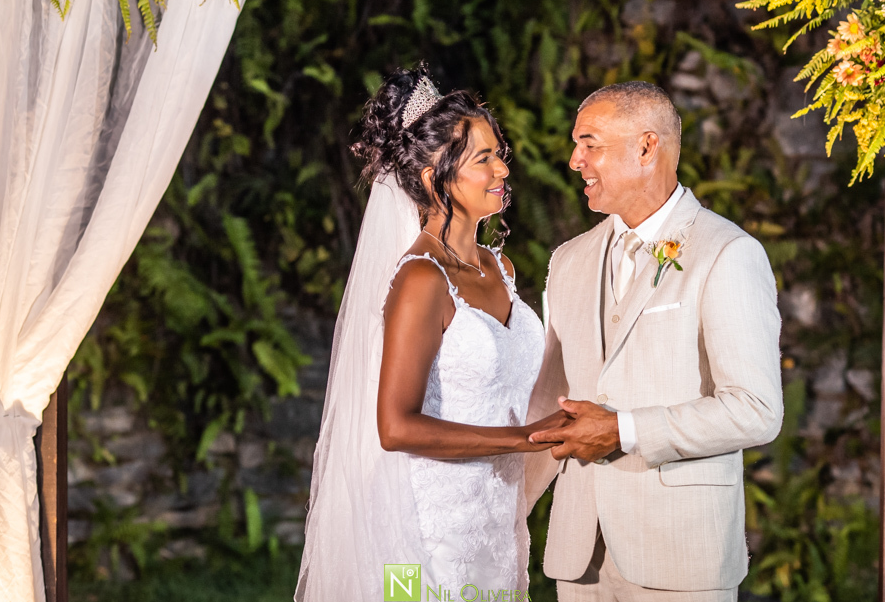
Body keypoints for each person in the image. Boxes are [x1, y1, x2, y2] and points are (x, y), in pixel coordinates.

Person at [295, 67, 569, 601]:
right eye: (483, 159)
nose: (502, 168)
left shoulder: (502, 268)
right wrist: (525, 438)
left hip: (496, 518)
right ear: (432, 179)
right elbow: (396, 426)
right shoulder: (422, 279)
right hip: (430, 526)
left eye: (499, 153)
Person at [524, 81, 784, 602]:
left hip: (681, 554)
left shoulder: (727, 252)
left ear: (646, 148)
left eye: (590, 144)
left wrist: (623, 430)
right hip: (579, 556)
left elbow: (756, 410)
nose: (575, 161)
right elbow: (546, 403)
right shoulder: (568, 260)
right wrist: (505, 512)